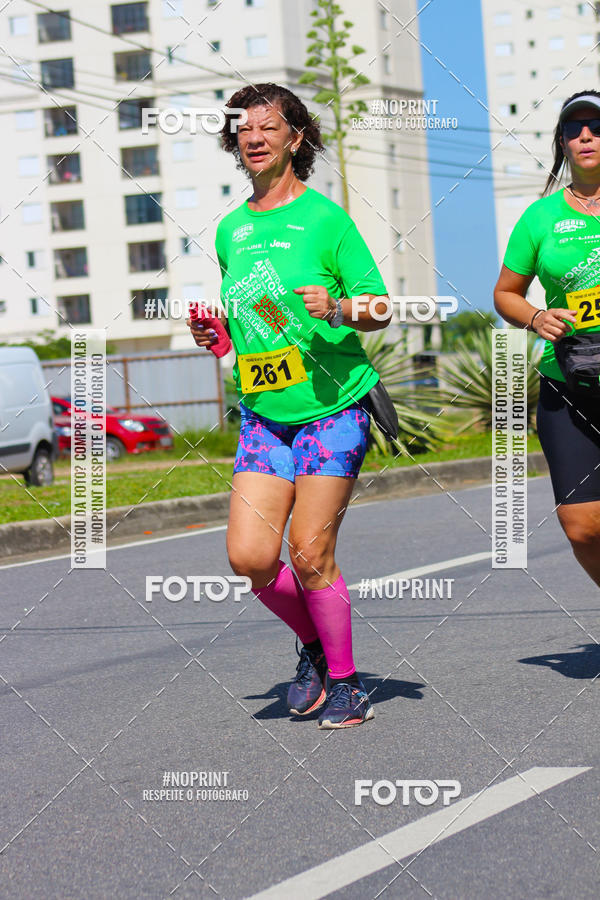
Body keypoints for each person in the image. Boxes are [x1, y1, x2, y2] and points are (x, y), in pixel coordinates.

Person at [188, 83, 391, 728]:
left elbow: (381, 307)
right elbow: (255, 321)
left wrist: (338, 308)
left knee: (308, 552)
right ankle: (313, 644)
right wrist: (215, 336)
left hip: (332, 408)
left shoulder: (328, 220)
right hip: (264, 413)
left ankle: (347, 680)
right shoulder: (231, 229)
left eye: (268, 128)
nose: (253, 138)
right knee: (250, 558)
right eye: (243, 129)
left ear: (294, 140)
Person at [494, 90, 600, 588]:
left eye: (596, 126)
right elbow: (505, 294)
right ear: (561, 142)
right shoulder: (540, 218)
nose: (586, 136)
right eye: (574, 128)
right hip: (569, 383)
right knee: (581, 527)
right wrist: (536, 318)